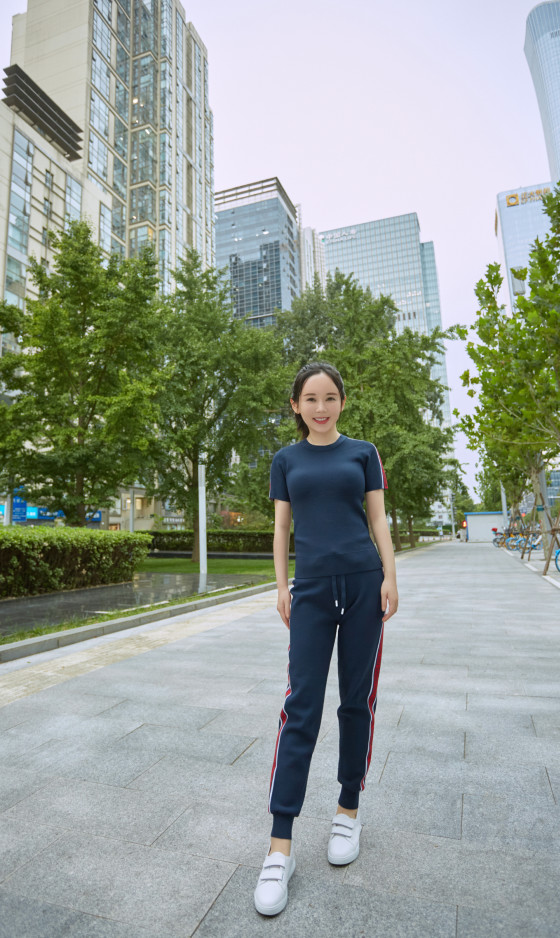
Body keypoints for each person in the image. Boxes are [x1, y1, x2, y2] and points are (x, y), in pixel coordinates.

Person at [254, 361, 399, 917]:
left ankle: (347, 812)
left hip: (363, 584)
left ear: (342, 402)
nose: (321, 406)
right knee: (301, 709)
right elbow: (282, 528)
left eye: (330, 397)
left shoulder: (364, 453)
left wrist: (390, 577)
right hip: (311, 591)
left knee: (355, 703)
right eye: (310, 398)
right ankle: (279, 847)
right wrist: (281, 587)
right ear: (295, 406)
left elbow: (378, 520)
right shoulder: (285, 460)